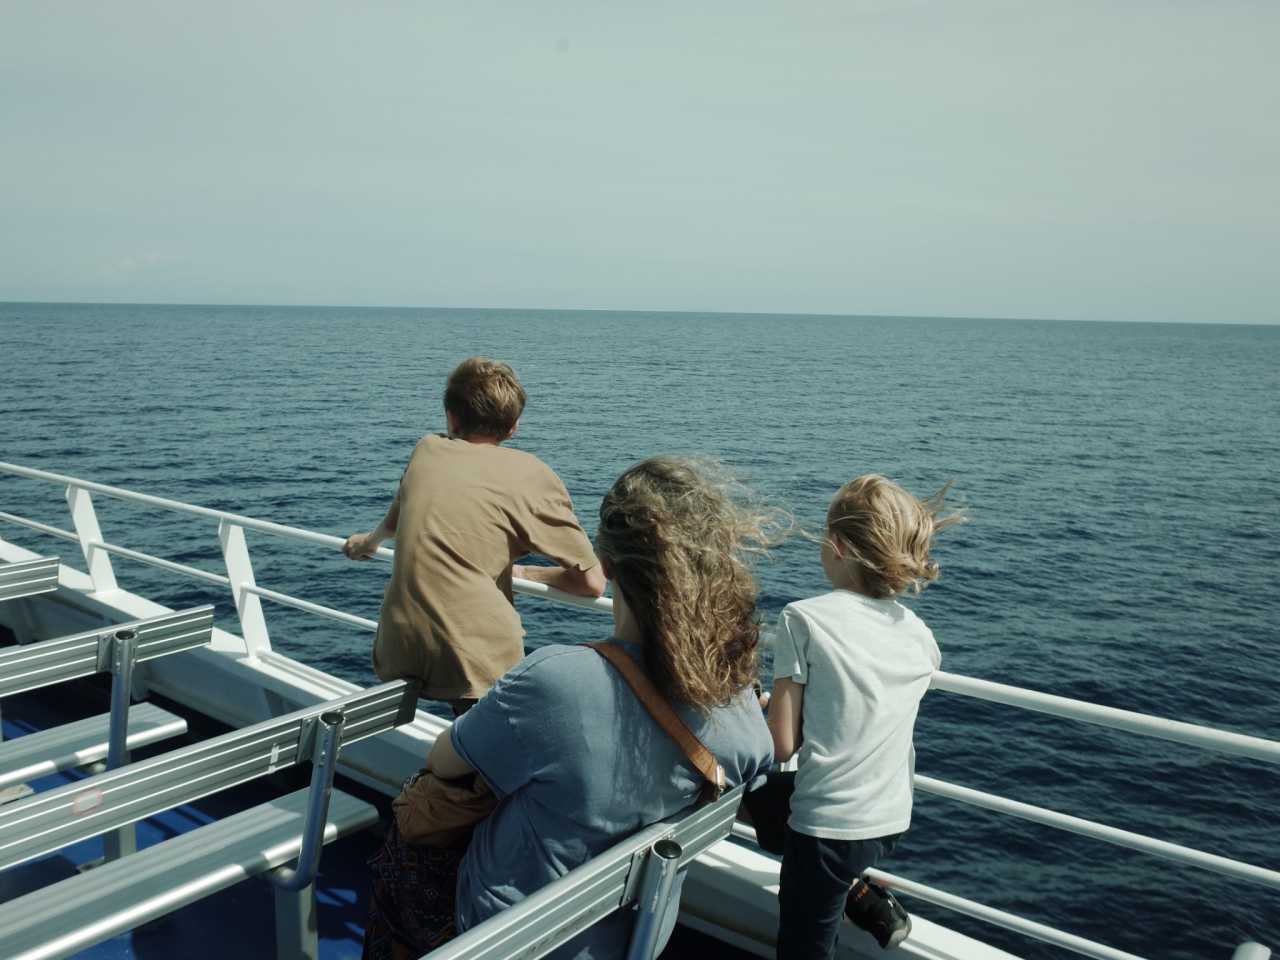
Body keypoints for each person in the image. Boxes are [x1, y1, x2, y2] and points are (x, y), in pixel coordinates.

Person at [362, 456, 778, 960]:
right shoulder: (741, 707)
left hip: (512, 935)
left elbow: (444, 760)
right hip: (635, 937)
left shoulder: (558, 679)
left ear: (608, 562)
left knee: (403, 851)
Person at [765, 474, 962, 958]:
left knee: (803, 949)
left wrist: (754, 709)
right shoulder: (920, 634)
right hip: (889, 817)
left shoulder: (803, 617)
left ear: (837, 545)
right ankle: (858, 893)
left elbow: (782, 744)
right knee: (763, 801)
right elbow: (861, 710)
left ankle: (847, 887)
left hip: (828, 828)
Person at [343, 357, 606, 714]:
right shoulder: (531, 474)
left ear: (451, 418)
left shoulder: (427, 450)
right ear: (513, 428)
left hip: (400, 646)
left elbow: (395, 522)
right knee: (491, 731)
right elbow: (592, 582)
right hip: (475, 655)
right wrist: (526, 573)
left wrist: (365, 544)